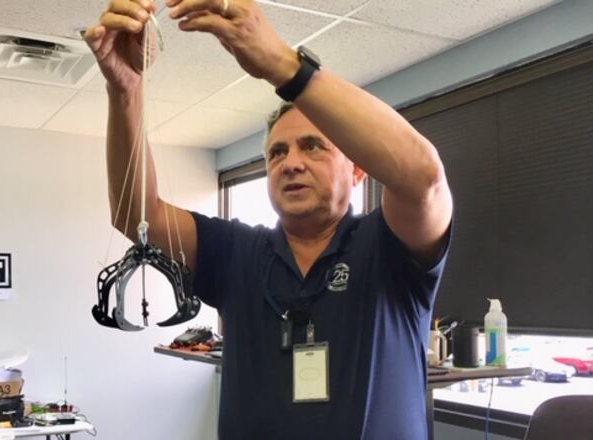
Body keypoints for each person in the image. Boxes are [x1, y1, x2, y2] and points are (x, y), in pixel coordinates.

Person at [84, 0, 453, 438]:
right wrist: (125, 91)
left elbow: (424, 178)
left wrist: (284, 67)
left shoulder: (390, 244)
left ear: (357, 170)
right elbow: (136, 214)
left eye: (313, 146)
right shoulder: (238, 252)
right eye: (277, 152)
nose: (290, 163)